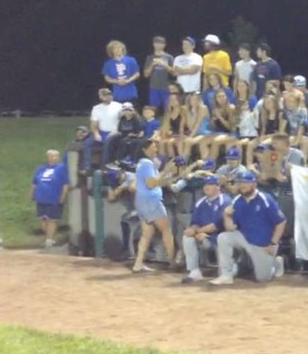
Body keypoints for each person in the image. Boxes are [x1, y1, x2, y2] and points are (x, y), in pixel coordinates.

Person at [210, 171, 287, 285]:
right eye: (240, 183)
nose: (242, 185)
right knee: (223, 237)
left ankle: (276, 263)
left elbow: (281, 222)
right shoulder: (237, 201)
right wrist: (226, 216)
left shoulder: (265, 199)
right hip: (244, 237)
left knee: (263, 278)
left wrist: (273, 243)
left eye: (246, 182)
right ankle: (226, 274)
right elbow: (231, 228)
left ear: (254, 184)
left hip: (263, 244)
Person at [131, 140, 177, 273]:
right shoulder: (146, 164)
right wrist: (166, 170)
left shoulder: (142, 164)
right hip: (151, 202)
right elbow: (151, 184)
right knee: (166, 231)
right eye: (153, 147)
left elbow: (156, 182)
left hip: (142, 202)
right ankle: (172, 261)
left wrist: (170, 176)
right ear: (145, 150)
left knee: (146, 234)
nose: (156, 149)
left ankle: (138, 264)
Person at [179, 176, 232, 283]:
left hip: (221, 238)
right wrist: (193, 230)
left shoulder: (224, 200)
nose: (207, 187)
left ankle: (229, 268)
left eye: (211, 185)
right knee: (187, 237)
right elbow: (195, 222)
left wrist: (198, 232)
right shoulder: (200, 202)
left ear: (218, 187)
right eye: (205, 185)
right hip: (205, 237)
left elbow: (216, 225)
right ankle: (194, 272)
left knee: (223, 274)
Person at [31, 149, 70, 248]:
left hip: (54, 198)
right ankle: (49, 237)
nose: (55, 158)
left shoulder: (61, 168)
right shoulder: (40, 168)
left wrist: (63, 196)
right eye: (53, 156)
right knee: (43, 221)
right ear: (48, 157)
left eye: (57, 156)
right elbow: (34, 183)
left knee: (52, 220)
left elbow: (65, 184)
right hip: (41, 198)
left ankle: (49, 240)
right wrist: (31, 194)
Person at [84, 88, 123, 170]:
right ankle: (86, 167)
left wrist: (117, 130)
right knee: (87, 143)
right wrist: (96, 134)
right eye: (105, 95)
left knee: (107, 143)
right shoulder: (96, 108)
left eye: (109, 95)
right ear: (101, 97)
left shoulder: (119, 106)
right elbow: (93, 124)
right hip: (101, 132)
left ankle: (104, 167)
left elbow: (123, 121)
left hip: (114, 132)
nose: (108, 97)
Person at [102, 40, 140, 105]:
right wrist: (116, 81)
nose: (119, 50)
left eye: (120, 48)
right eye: (116, 48)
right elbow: (107, 78)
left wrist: (128, 80)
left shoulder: (131, 60)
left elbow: (137, 73)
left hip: (130, 92)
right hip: (117, 93)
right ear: (111, 51)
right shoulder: (108, 63)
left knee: (131, 111)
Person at [143, 36, 174, 111]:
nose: (158, 46)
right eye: (156, 43)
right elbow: (146, 74)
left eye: (161, 44)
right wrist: (152, 65)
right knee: (153, 108)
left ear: (164, 45)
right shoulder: (149, 57)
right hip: (153, 86)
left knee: (168, 108)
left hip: (166, 86)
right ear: (153, 44)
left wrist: (164, 65)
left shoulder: (169, 57)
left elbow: (174, 73)